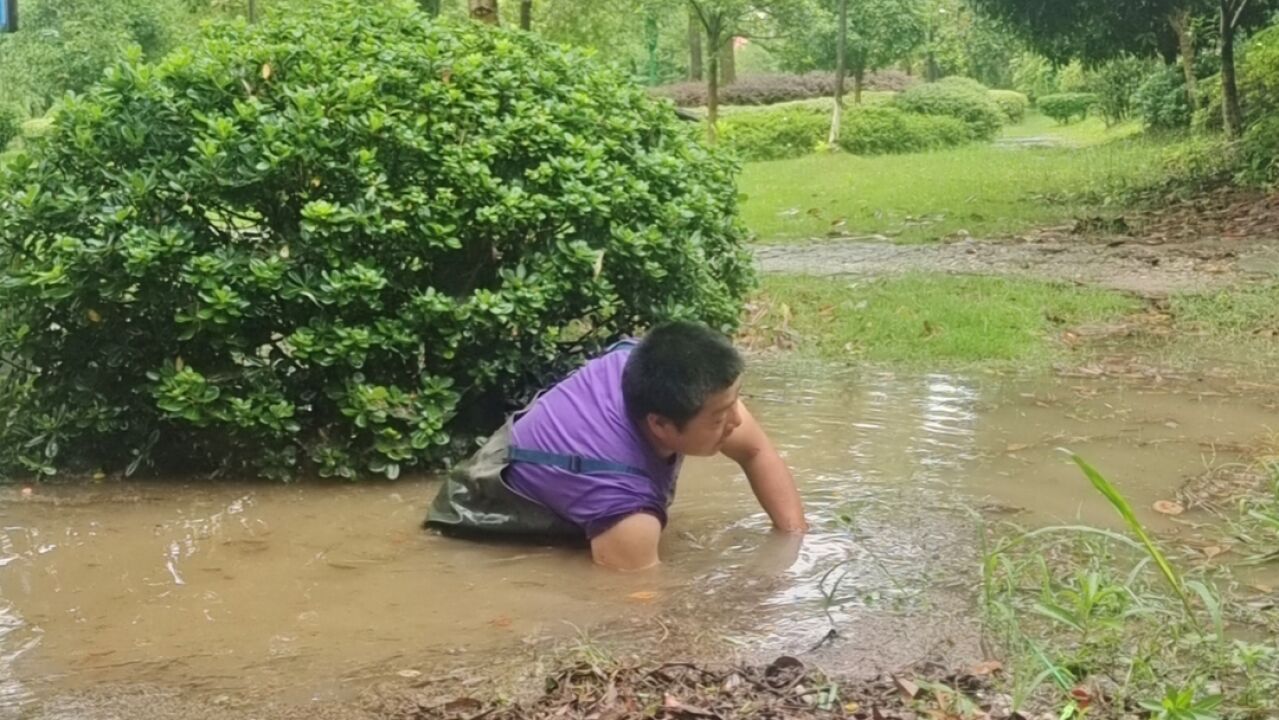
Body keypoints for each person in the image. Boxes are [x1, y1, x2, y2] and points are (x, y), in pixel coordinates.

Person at [426, 321, 807, 571]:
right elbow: (631, 601)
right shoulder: (626, 507)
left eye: (735, 401)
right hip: (476, 512)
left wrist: (793, 543)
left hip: (550, 454)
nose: (737, 421)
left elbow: (757, 452)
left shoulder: (663, 372)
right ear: (659, 424)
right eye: (720, 416)